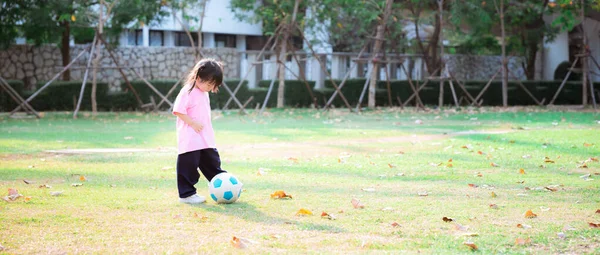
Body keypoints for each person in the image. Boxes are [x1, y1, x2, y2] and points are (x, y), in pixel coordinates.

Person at [172, 58, 226, 204]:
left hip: (205, 137)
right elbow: (178, 111)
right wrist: (193, 123)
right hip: (190, 137)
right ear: (198, 77)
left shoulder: (203, 92)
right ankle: (187, 194)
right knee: (188, 165)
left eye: (213, 84)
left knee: (212, 163)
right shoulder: (187, 91)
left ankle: (225, 184)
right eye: (209, 83)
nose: (210, 87)